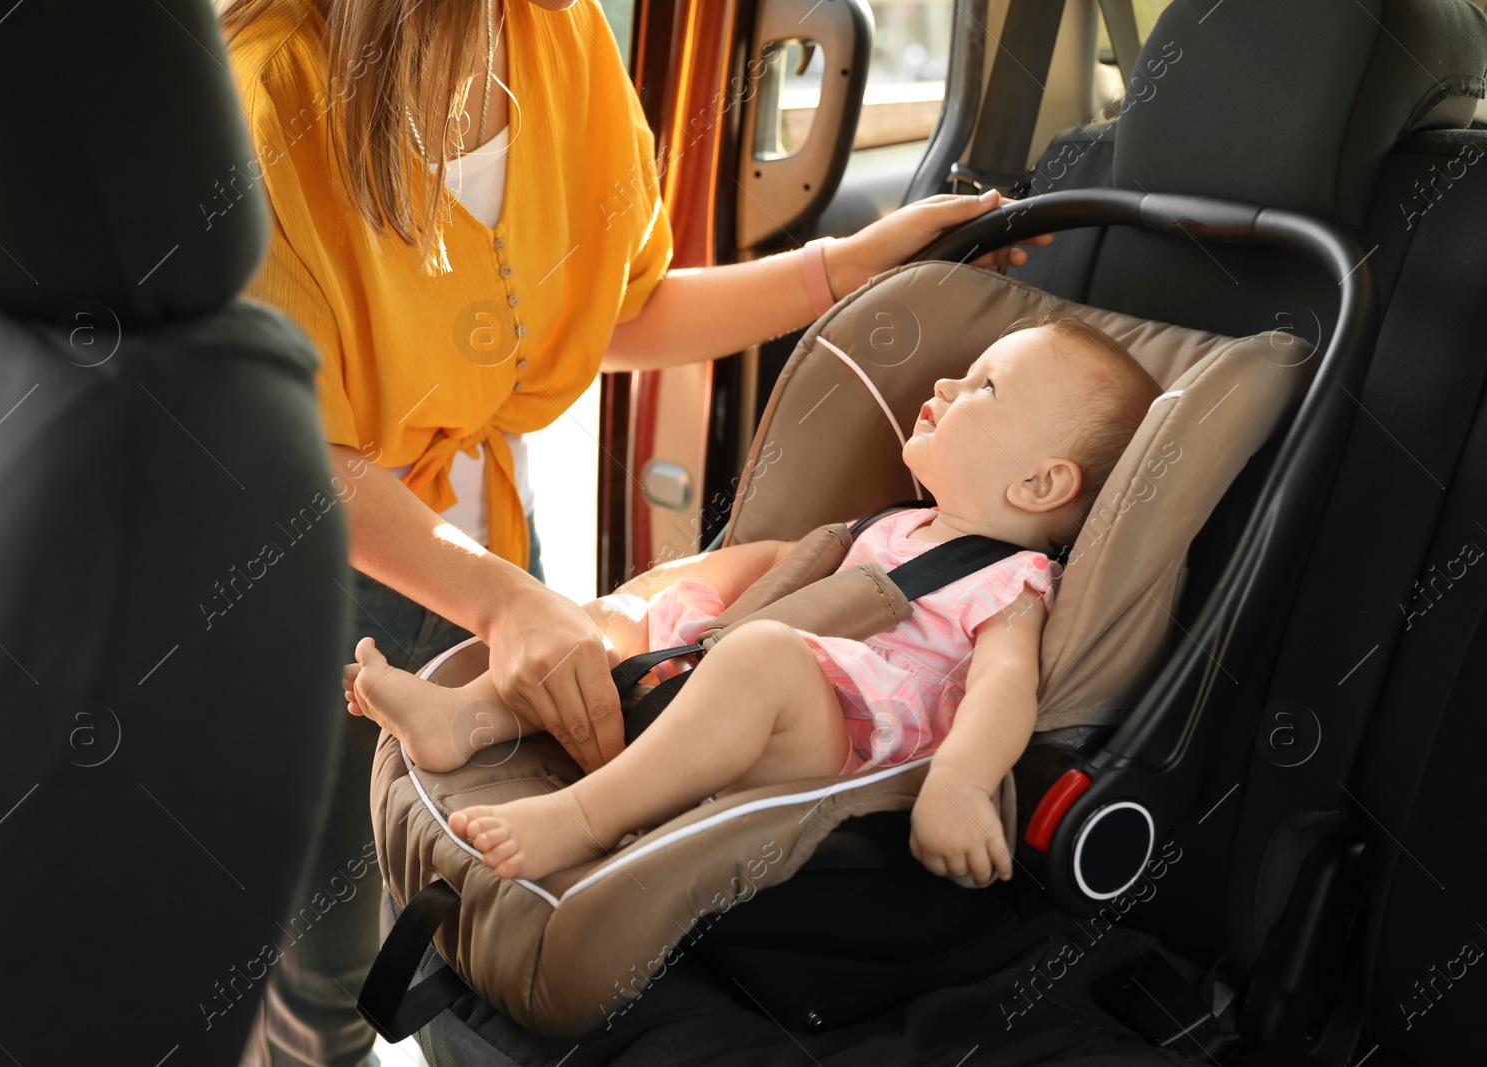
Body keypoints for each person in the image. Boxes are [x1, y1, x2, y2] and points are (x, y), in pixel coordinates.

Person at [217, 0, 1046, 1060]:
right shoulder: (265, 93)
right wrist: (505, 602)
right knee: (330, 964)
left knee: (469, 911)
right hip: (321, 581)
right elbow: (282, 446)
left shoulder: (556, 38)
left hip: (487, 542)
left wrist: (850, 264)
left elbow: (615, 309)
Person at [347, 312, 1163, 887]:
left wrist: (961, 781)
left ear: (1042, 482)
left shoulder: (1011, 581)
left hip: (844, 740)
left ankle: (581, 820)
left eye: (984, 387)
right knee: (609, 628)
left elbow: (1002, 685)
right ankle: (464, 719)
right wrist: (656, 597)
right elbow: (780, 561)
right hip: (736, 670)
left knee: (762, 657)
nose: (947, 382)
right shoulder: (895, 523)